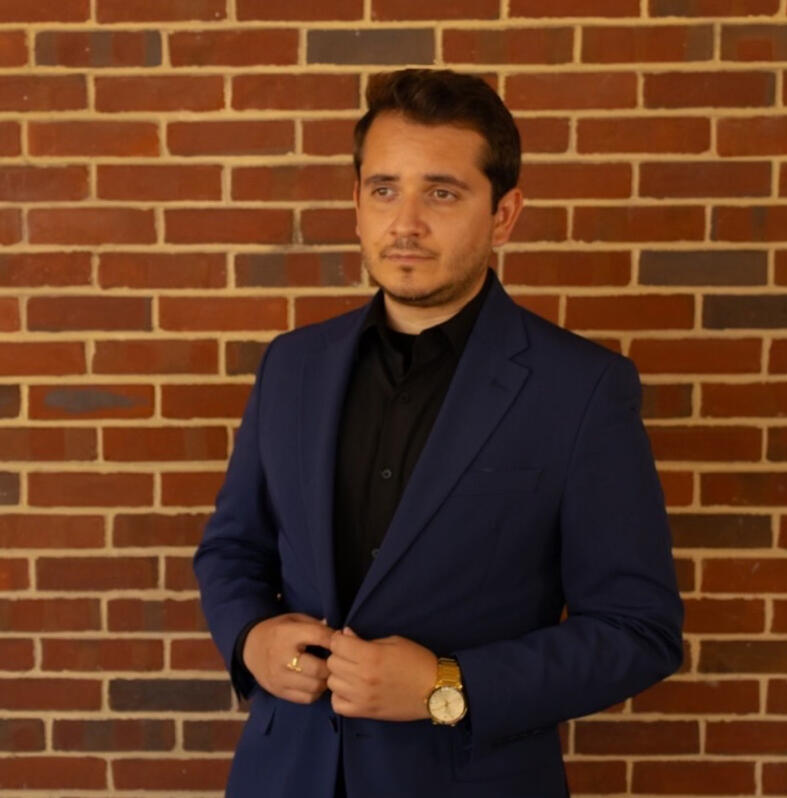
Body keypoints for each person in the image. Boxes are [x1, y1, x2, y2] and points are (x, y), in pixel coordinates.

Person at [193, 68, 683, 798]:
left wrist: (446, 686)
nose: (406, 223)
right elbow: (233, 549)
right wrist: (251, 640)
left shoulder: (582, 389)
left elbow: (639, 631)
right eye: (384, 189)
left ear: (504, 215)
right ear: (357, 203)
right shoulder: (292, 365)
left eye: (442, 193)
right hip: (284, 773)